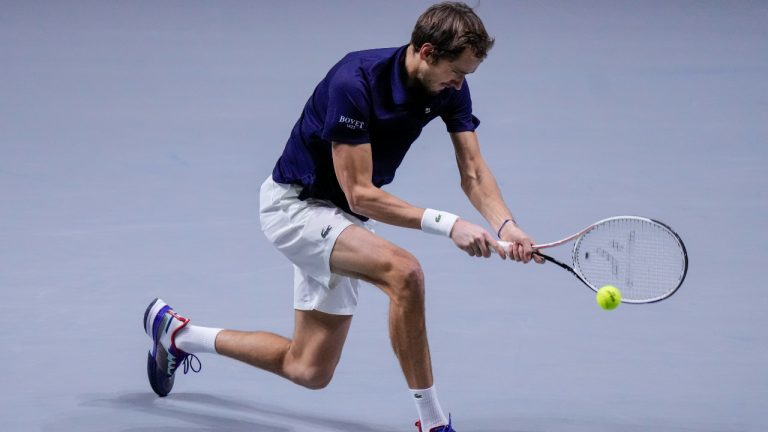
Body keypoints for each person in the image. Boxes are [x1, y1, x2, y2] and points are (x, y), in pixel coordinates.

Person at [143, 2, 544, 431]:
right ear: (426, 52)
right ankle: (432, 423)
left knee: (308, 370)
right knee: (405, 274)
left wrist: (507, 225)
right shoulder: (354, 82)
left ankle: (176, 335)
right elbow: (361, 193)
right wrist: (450, 225)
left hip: (341, 218)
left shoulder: (450, 88)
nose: (460, 84)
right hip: (296, 206)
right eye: (457, 71)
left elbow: (474, 172)